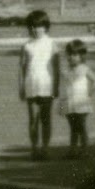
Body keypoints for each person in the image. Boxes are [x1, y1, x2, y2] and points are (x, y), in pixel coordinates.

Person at [18, 9, 60, 157]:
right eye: (32, 27)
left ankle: (45, 147)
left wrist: (56, 86)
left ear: (46, 27)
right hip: (31, 84)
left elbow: (56, 67)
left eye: (39, 26)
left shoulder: (51, 44)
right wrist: (21, 87)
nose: (36, 30)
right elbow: (22, 68)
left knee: (46, 118)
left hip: (46, 84)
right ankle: (35, 148)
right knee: (33, 119)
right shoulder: (26, 46)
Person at [60, 38, 95, 156]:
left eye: (75, 54)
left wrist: (89, 94)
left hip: (81, 102)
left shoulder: (84, 69)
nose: (72, 57)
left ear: (81, 56)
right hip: (70, 102)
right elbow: (65, 85)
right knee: (73, 127)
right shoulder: (66, 70)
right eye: (70, 54)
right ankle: (73, 149)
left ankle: (84, 150)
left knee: (81, 126)